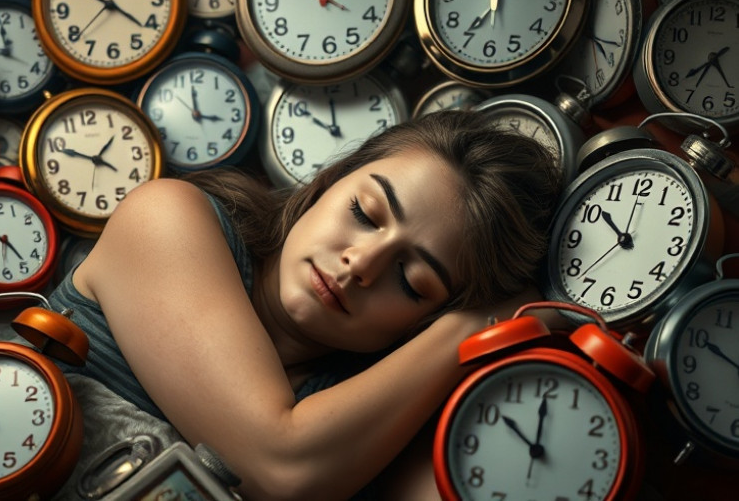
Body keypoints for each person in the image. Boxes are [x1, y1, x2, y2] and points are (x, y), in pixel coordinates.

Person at [48, 109, 563, 500]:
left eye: (412, 279)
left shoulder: (371, 418)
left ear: (420, 323)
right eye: (365, 211)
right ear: (329, 179)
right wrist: (469, 331)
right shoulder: (167, 217)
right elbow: (279, 461)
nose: (361, 263)